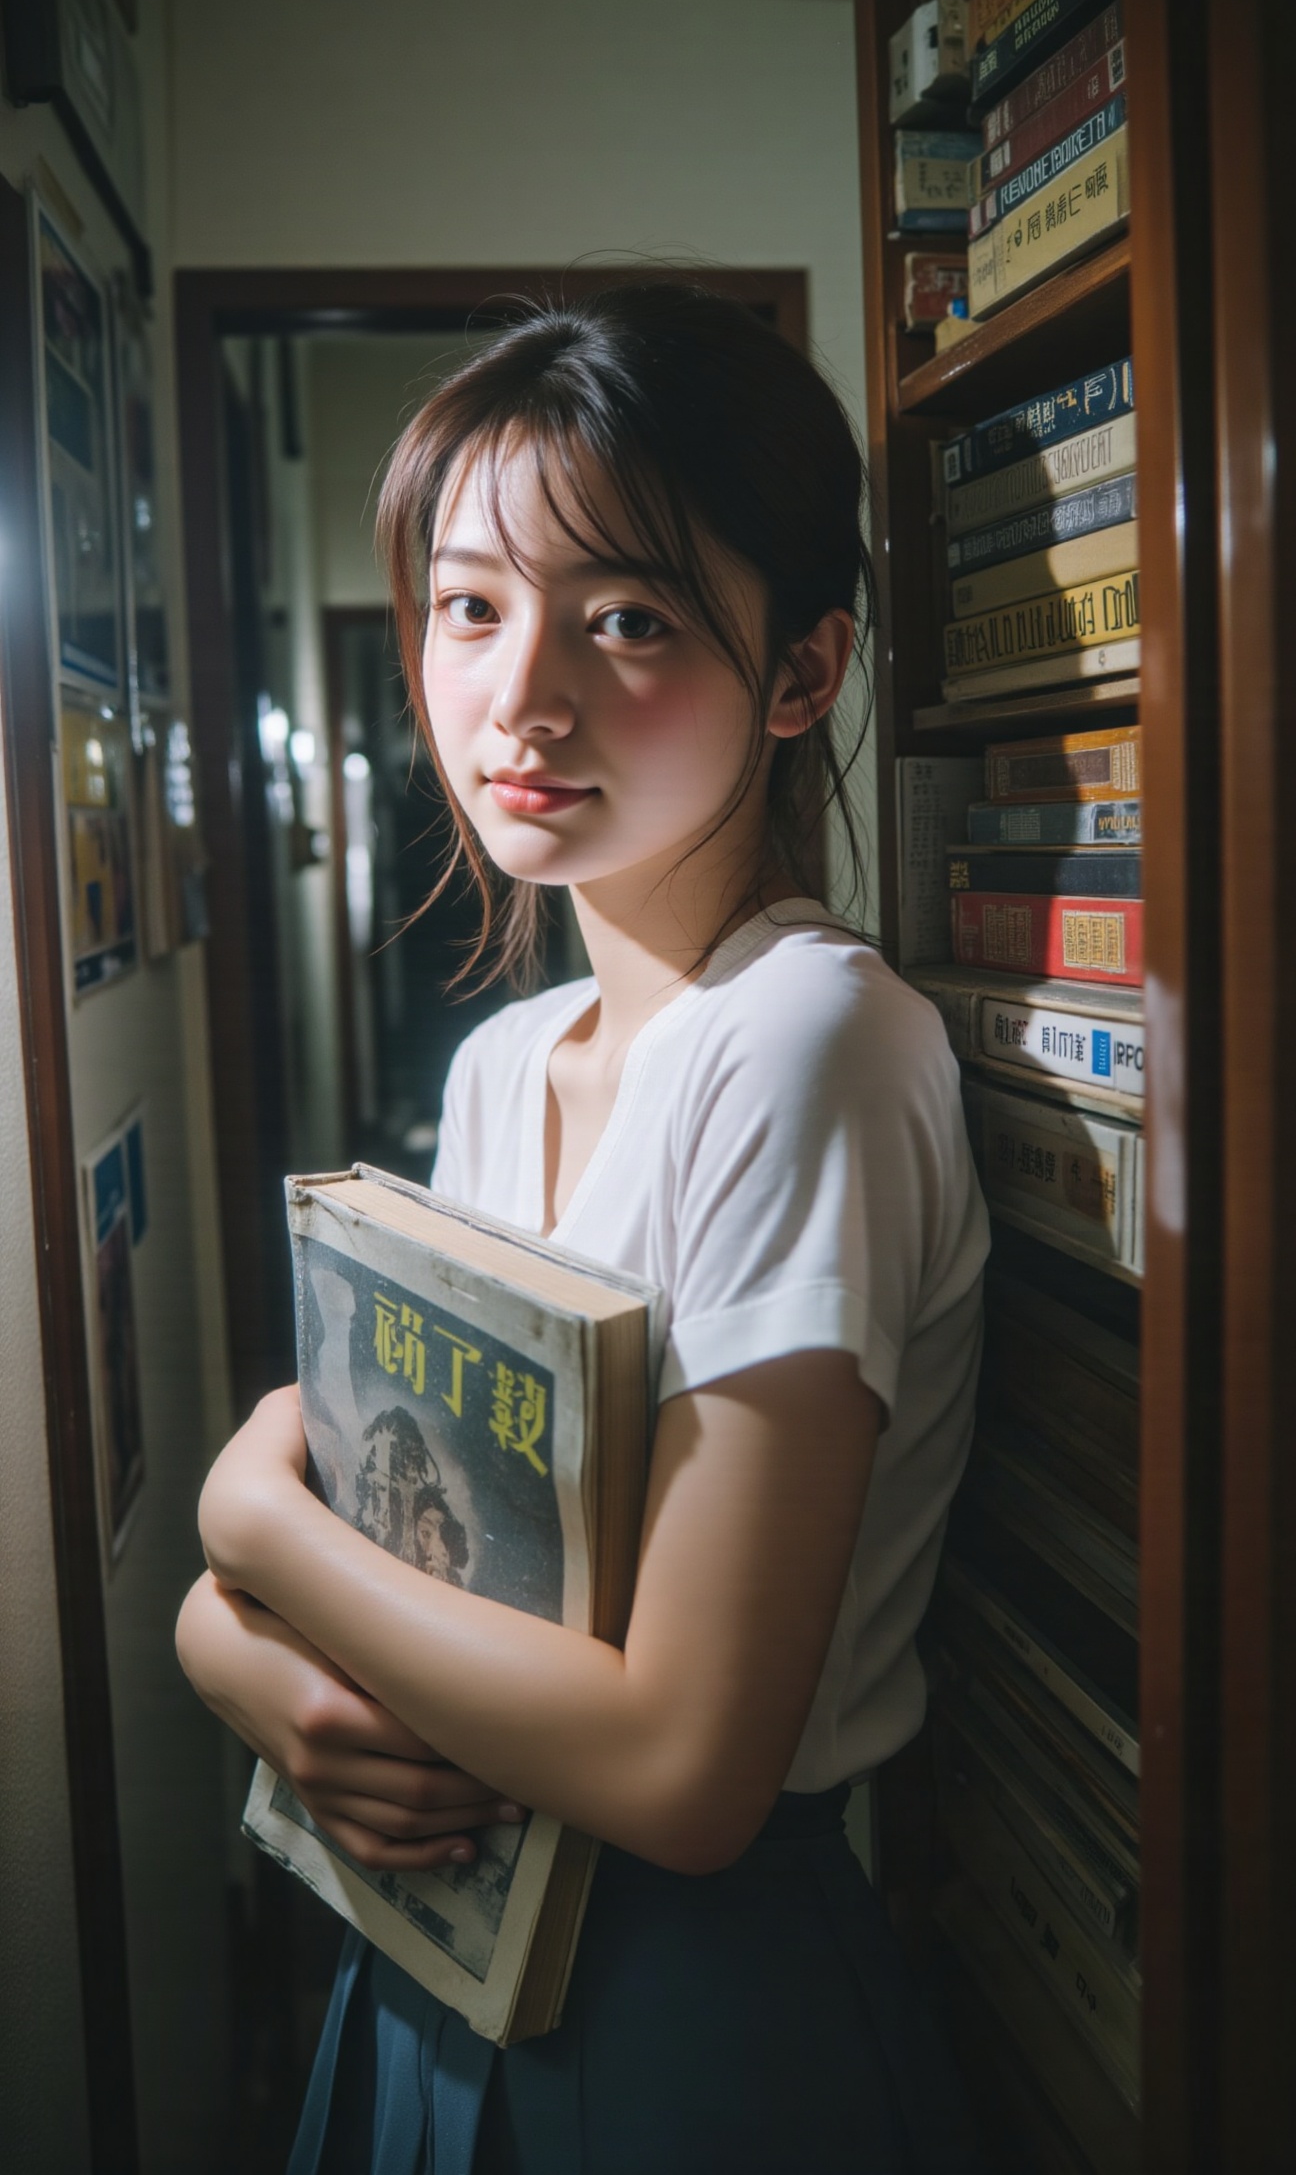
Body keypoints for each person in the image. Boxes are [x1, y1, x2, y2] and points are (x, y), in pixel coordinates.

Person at [177, 278, 990, 2175]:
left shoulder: (804, 1044)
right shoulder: (504, 1060)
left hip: (692, 1993)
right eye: (470, 606)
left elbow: (685, 1767)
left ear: (802, 674)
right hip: (444, 1952)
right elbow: (428, 1531)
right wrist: (234, 1647)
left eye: (625, 618)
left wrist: (242, 1529)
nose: (519, 695)